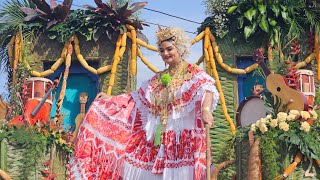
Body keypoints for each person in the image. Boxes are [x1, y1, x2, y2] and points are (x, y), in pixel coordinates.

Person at [68, 26, 220, 180]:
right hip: (162, 141)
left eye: (169, 49)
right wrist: (110, 99)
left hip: (185, 139)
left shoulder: (191, 72)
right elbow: (136, 98)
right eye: (161, 50)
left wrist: (206, 109)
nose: (165, 53)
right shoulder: (158, 79)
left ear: (179, 48)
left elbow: (207, 87)